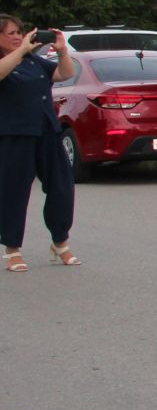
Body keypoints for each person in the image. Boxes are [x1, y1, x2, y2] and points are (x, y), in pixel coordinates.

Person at [0, 17, 75, 271]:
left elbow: (65, 73)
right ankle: (12, 249)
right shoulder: (9, 61)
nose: (17, 36)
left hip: (48, 132)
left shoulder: (33, 61)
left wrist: (62, 51)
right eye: (11, 33)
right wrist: (21, 50)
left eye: (19, 32)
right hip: (16, 135)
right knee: (14, 192)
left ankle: (60, 242)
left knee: (62, 188)